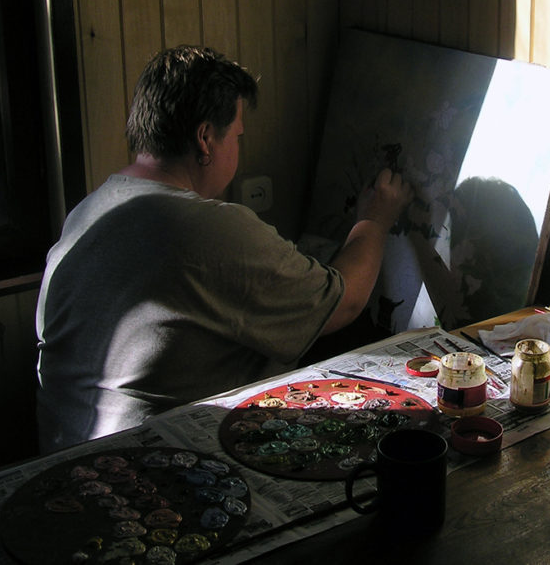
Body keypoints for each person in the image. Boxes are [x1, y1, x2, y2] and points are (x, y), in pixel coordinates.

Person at [35, 45, 412, 453]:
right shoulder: (205, 228)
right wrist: (376, 218)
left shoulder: (93, 208)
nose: (238, 147)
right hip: (148, 459)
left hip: (63, 448)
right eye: (237, 136)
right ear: (205, 138)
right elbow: (344, 302)